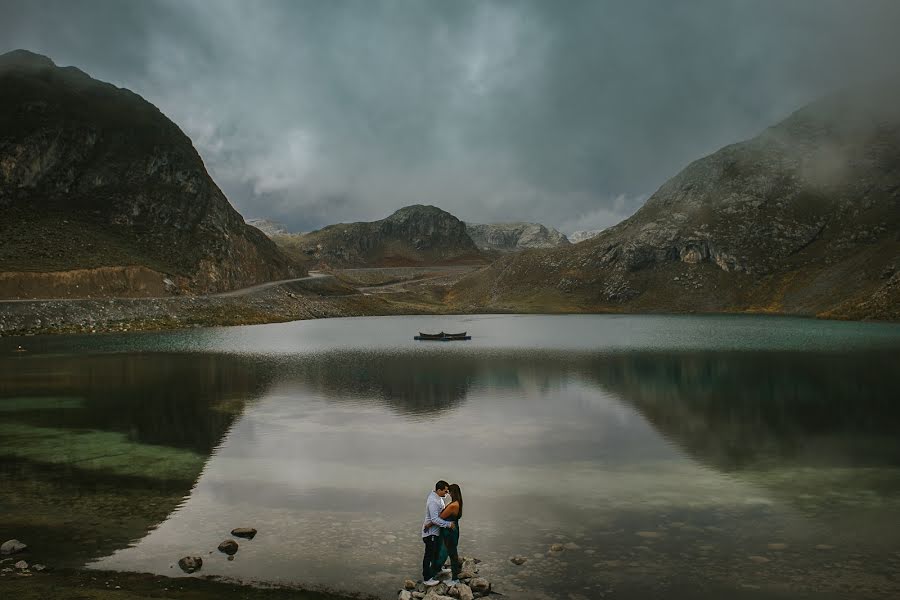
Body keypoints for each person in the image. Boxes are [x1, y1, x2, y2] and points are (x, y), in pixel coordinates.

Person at [421, 480, 455, 586]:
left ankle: (438, 569)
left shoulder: (438, 498)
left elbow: (441, 513)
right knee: (428, 555)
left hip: (435, 532)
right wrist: (448, 524)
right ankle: (427, 578)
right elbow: (435, 519)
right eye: (445, 491)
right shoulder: (433, 501)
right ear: (439, 490)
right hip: (430, 533)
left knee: (436, 553)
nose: (446, 493)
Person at [433, 483, 463, 585]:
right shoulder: (457, 502)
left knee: (452, 553)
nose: (448, 493)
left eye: (449, 491)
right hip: (453, 529)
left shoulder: (453, 505)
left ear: (453, 492)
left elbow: (441, 517)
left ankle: (454, 579)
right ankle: (438, 569)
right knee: (444, 550)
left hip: (449, 532)